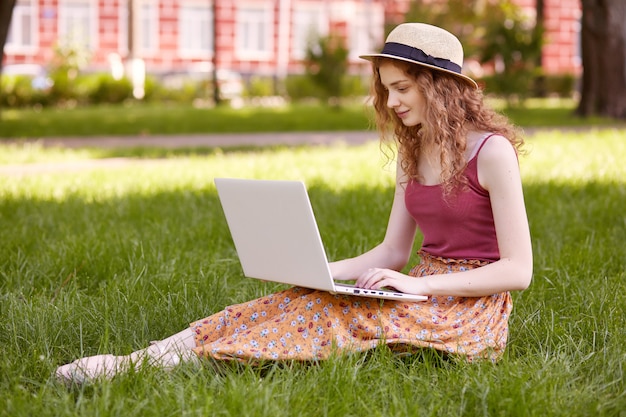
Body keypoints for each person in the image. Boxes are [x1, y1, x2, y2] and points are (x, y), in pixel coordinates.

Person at [56, 22, 533, 384]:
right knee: (293, 299)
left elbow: (518, 270)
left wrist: (415, 285)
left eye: (402, 88)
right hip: (419, 287)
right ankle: (143, 358)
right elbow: (391, 252)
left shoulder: (491, 153)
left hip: (469, 308)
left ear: (438, 86)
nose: (390, 102)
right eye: (386, 89)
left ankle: (159, 367)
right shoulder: (413, 153)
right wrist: (318, 270)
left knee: (331, 315)